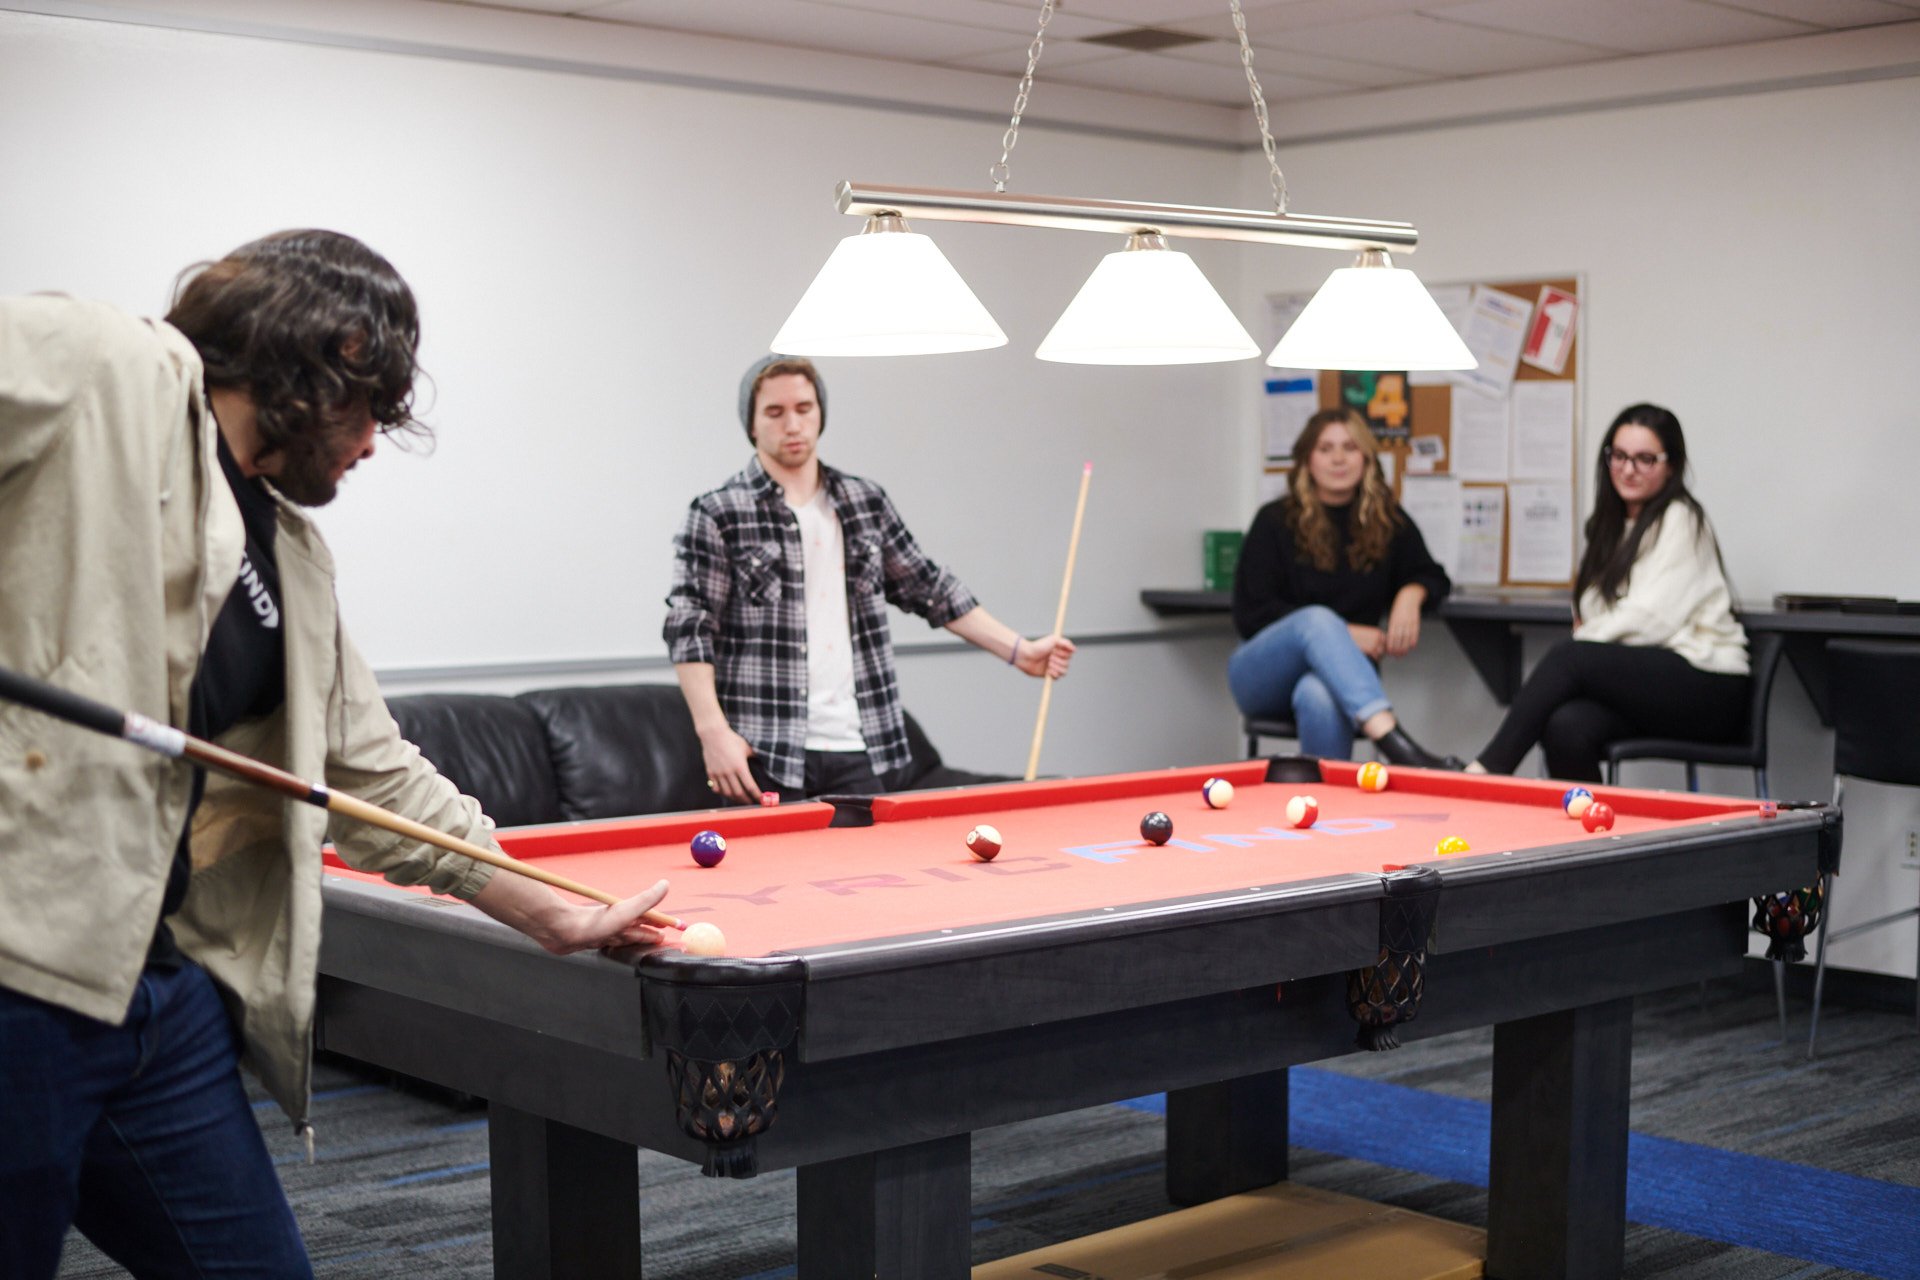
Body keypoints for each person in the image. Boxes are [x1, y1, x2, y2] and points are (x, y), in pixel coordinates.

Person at [0, 231, 672, 1279]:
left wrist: (552, 909)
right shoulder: (109, 365)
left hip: (151, 985)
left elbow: (372, 772)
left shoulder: (292, 557)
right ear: (323, 360)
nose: (370, 446)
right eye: (371, 410)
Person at [666, 355, 1074, 801]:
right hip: (764, 751)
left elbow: (930, 588)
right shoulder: (717, 512)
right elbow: (690, 626)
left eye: (804, 408)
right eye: (774, 412)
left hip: (858, 747)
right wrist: (712, 733)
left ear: (821, 413)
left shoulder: (865, 502)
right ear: (752, 424)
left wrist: (1020, 651)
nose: (793, 425)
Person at [1465, 403, 1749, 782]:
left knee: (1570, 656)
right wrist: (1590, 637)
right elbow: (1594, 610)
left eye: (1645, 459)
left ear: (1671, 466)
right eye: (1619, 456)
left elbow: (1650, 620)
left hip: (1709, 686)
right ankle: (1592, 820)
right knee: (1566, 726)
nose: (1628, 469)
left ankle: (1484, 773)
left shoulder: (1681, 518)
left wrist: (1585, 641)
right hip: (1650, 683)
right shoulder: (1609, 528)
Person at [1228, 406, 1457, 767]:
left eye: (1350, 448)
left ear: (1366, 458)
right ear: (1307, 459)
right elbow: (1251, 614)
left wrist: (1411, 593)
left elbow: (1433, 576)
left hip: (1340, 680)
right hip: (1261, 675)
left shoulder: (1386, 521)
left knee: (1319, 694)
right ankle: (1394, 741)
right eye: (1325, 449)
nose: (1338, 459)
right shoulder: (1273, 521)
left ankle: (1324, 799)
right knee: (1315, 619)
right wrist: (1345, 634)